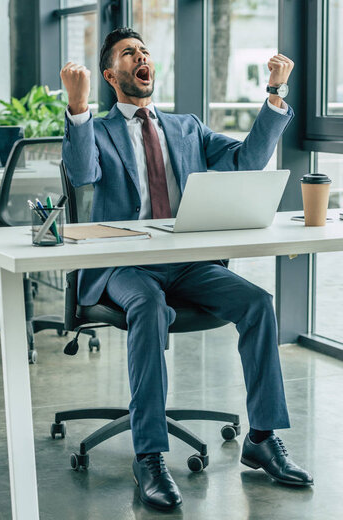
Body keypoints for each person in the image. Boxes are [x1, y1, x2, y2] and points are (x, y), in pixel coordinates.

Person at [61, 27, 313, 511]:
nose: (142, 57)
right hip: (123, 265)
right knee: (150, 307)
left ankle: (261, 438)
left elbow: (246, 162)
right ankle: (150, 455)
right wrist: (77, 110)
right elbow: (82, 174)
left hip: (185, 260)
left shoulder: (187, 127)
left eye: (145, 52)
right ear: (112, 75)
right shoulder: (101, 129)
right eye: (129, 54)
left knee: (257, 303)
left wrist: (275, 96)